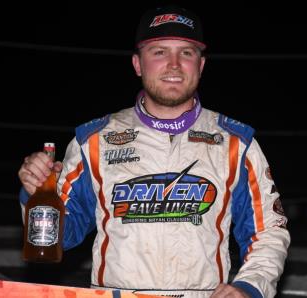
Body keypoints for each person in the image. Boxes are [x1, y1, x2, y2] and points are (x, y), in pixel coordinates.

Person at [18, 5, 290, 298]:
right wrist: (36, 191)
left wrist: (248, 287)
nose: (174, 64)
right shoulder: (94, 140)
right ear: (137, 64)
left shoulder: (236, 142)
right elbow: (62, 237)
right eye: (159, 51)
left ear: (200, 65)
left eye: (186, 53)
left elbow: (267, 233)